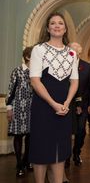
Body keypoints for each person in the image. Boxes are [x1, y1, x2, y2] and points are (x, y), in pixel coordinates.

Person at [29, 12, 78, 183]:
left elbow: (74, 82)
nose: (57, 26)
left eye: (60, 23)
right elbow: (35, 81)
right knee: (41, 148)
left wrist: (66, 103)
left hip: (64, 108)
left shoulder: (72, 53)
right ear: (48, 28)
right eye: (53, 23)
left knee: (61, 148)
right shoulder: (39, 49)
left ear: (65, 29)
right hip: (43, 106)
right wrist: (53, 104)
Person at [5, 46, 34, 177]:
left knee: (30, 137)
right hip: (18, 108)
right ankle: (19, 165)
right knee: (18, 136)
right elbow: (10, 91)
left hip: (32, 109)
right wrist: (9, 108)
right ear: (28, 57)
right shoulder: (17, 71)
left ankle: (27, 161)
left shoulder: (36, 73)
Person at [68, 42, 90, 166]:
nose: (72, 54)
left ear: (79, 54)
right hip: (67, 104)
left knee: (81, 130)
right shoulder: (63, 66)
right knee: (66, 132)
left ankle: (76, 152)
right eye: (70, 51)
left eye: (75, 52)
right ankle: (65, 157)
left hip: (84, 104)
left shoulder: (87, 67)